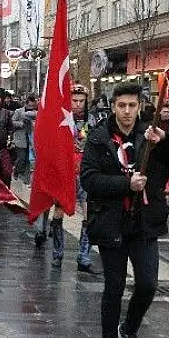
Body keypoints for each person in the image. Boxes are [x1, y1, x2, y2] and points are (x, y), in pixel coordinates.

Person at [80, 81, 169, 338]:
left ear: (140, 107)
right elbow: (89, 179)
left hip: (144, 222)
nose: (127, 111)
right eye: (121, 105)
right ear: (113, 106)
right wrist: (126, 184)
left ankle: (130, 327)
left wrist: (164, 140)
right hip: (112, 222)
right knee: (114, 286)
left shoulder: (148, 134)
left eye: (132, 106)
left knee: (148, 284)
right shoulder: (100, 138)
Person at [48, 84, 100, 274]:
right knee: (58, 213)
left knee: (88, 215)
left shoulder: (92, 120)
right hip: (65, 173)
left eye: (81, 101)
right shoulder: (61, 119)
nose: (78, 104)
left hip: (85, 173)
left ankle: (83, 258)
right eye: (74, 100)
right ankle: (57, 253)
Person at [11, 97, 37, 181]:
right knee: (21, 158)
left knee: (28, 160)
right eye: (29, 105)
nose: (31, 107)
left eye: (33, 106)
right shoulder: (19, 111)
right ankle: (17, 171)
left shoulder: (35, 113)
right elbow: (12, 122)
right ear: (26, 104)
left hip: (30, 139)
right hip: (20, 138)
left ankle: (25, 177)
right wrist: (21, 124)